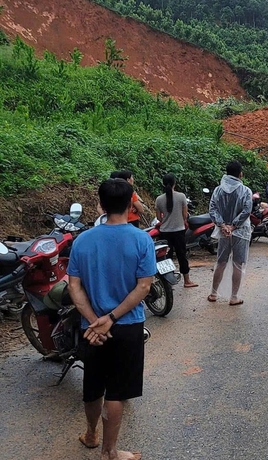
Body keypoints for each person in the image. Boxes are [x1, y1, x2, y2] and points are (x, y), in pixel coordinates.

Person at [68, 178, 156, 460]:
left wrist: (95, 320)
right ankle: (110, 452)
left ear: (100, 205)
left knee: (93, 386)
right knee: (116, 392)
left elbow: (73, 286)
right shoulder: (141, 239)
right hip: (127, 326)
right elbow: (143, 286)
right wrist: (112, 318)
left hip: (91, 329)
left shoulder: (82, 240)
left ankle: (91, 434)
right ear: (131, 203)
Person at [208, 161, 253, 305]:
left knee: (221, 261)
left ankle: (213, 293)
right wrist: (233, 226)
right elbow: (247, 210)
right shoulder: (245, 191)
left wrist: (222, 225)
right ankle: (234, 297)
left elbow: (213, 208)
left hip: (223, 232)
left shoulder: (218, 190)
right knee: (238, 264)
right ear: (240, 174)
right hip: (240, 231)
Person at [154, 174, 197, 288]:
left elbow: (158, 217)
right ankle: (187, 281)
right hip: (179, 231)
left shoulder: (159, 199)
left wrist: (166, 220)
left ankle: (167, 283)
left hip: (164, 232)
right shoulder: (181, 196)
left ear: (163, 184)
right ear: (175, 183)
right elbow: (184, 215)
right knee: (181, 255)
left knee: (166, 256)